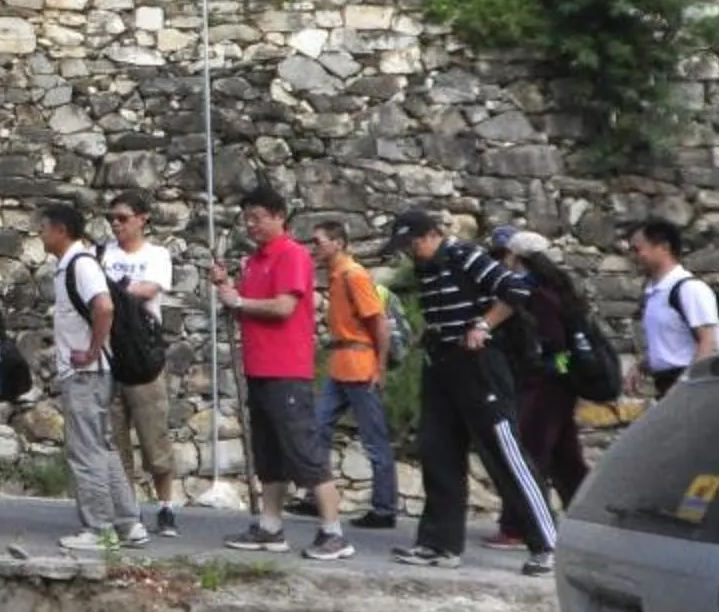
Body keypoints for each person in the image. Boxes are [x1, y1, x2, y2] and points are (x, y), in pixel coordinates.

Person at [387, 211, 557, 575]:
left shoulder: (465, 255)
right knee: (438, 451)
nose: (411, 252)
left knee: (503, 450)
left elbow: (517, 290)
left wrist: (483, 324)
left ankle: (547, 543)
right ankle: (439, 543)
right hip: (441, 365)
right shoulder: (426, 268)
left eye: (414, 243)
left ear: (433, 234)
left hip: (478, 364)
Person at [213, 187, 348, 561]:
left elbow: (284, 307)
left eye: (257, 217)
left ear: (278, 216)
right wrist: (229, 291)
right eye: (247, 218)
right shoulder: (256, 261)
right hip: (258, 368)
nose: (251, 225)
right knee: (268, 453)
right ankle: (270, 527)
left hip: (287, 369)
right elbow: (246, 311)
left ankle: (333, 531)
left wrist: (238, 300)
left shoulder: (292, 256)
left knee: (304, 450)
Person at [37, 201, 148, 554]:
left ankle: (99, 528)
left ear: (60, 230)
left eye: (43, 228)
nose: (39, 234)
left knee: (86, 451)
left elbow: (104, 306)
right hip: (93, 373)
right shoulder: (75, 264)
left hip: (86, 374)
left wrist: (92, 351)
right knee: (103, 447)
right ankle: (128, 522)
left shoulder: (80, 265)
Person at [100, 191, 184, 537]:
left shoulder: (157, 255)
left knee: (154, 437)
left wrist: (115, 289)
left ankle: (165, 505)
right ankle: (128, 509)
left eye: (122, 217)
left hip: (143, 353)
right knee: (116, 438)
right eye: (112, 219)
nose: (116, 224)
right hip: (111, 351)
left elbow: (149, 289)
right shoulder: (103, 253)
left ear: (142, 218)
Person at [500, 241, 595, 540]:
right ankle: (590, 518)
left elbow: (554, 343)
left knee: (530, 453)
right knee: (566, 459)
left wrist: (544, 369)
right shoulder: (559, 291)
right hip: (558, 386)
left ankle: (519, 526)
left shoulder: (538, 296)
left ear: (517, 257)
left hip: (544, 387)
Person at [310, 219, 401, 530]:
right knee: (318, 427)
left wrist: (381, 367)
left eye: (320, 241)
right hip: (342, 365)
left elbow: (379, 324)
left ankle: (385, 508)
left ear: (338, 243)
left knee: (375, 441)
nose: (315, 248)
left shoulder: (353, 275)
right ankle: (318, 496)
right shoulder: (339, 276)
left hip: (360, 367)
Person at [626, 217, 719, 400]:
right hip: (669, 385)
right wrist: (642, 366)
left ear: (663, 247)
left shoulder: (689, 289)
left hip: (694, 387)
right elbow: (673, 346)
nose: (633, 257)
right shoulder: (655, 292)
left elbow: (709, 342)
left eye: (637, 250)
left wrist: (684, 386)